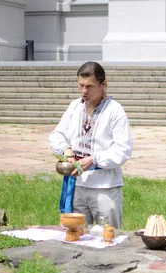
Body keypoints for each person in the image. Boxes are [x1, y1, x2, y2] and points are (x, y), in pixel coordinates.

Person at [49, 61, 132, 229]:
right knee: (75, 235)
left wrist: (94, 160)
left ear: (103, 85)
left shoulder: (114, 111)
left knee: (108, 238)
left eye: (89, 86)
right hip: (77, 185)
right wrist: (67, 150)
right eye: (81, 86)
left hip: (105, 188)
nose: (84, 91)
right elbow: (56, 135)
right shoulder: (75, 107)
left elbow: (122, 150)